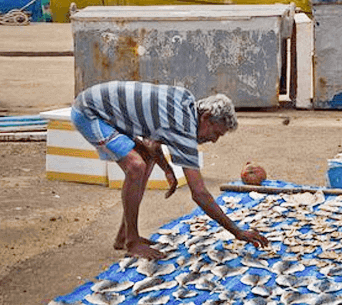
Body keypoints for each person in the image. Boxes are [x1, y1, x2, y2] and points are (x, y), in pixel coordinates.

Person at [71, 81, 269, 259]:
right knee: (136, 167)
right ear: (206, 117)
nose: (214, 140)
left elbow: (153, 144)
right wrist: (237, 231)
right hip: (89, 113)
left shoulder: (185, 103)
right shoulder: (183, 126)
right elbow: (199, 193)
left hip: (104, 110)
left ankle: (124, 235)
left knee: (145, 159)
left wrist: (167, 170)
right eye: (215, 133)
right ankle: (132, 241)